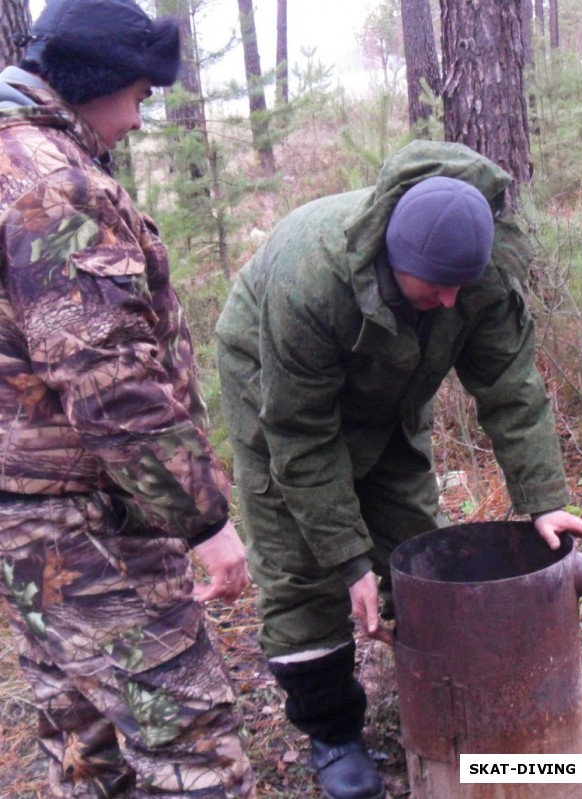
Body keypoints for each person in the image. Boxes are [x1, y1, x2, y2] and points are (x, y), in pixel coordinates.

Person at [215, 139, 582, 799]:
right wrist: (347, 559)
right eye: (435, 288)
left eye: (461, 287)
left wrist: (545, 499)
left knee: (419, 546)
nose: (451, 301)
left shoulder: (474, 278)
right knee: (303, 563)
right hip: (275, 394)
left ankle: (452, 714)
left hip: (390, 398)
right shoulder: (314, 279)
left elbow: (512, 388)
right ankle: (333, 731)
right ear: (397, 260)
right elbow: (302, 433)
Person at [0, 1, 256, 797]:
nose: (141, 119)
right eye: (141, 96)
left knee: (88, 746)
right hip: (86, 527)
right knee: (194, 754)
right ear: (98, 80)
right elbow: (112, 384)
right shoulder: (52, 186)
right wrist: (206, 520)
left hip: (29, 522)